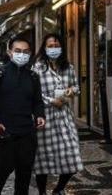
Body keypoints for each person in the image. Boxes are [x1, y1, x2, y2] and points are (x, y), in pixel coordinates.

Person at [0, 37, 46, 195]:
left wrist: (39, 115)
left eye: (25, 51)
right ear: (10, 53)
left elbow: (38, 101)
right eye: (18, 51)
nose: (21, 54)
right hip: (4, 132)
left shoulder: (33, 77)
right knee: (2, 172)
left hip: (27, 134)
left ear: (29, 54)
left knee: (24, 176)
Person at [32, 34, 83, 195]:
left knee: (72, 156)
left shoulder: (68, 67)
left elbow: (76, 87)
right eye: (50, 46)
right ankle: (42, 192)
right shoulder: (37, 67)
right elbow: (32, 92)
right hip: (44, 119)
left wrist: (70, 91)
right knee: (43, 160)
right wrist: (50, 101)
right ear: (44, 48)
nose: (53, 49)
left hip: (65, 118)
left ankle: (58, 189)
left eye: (56, 45)